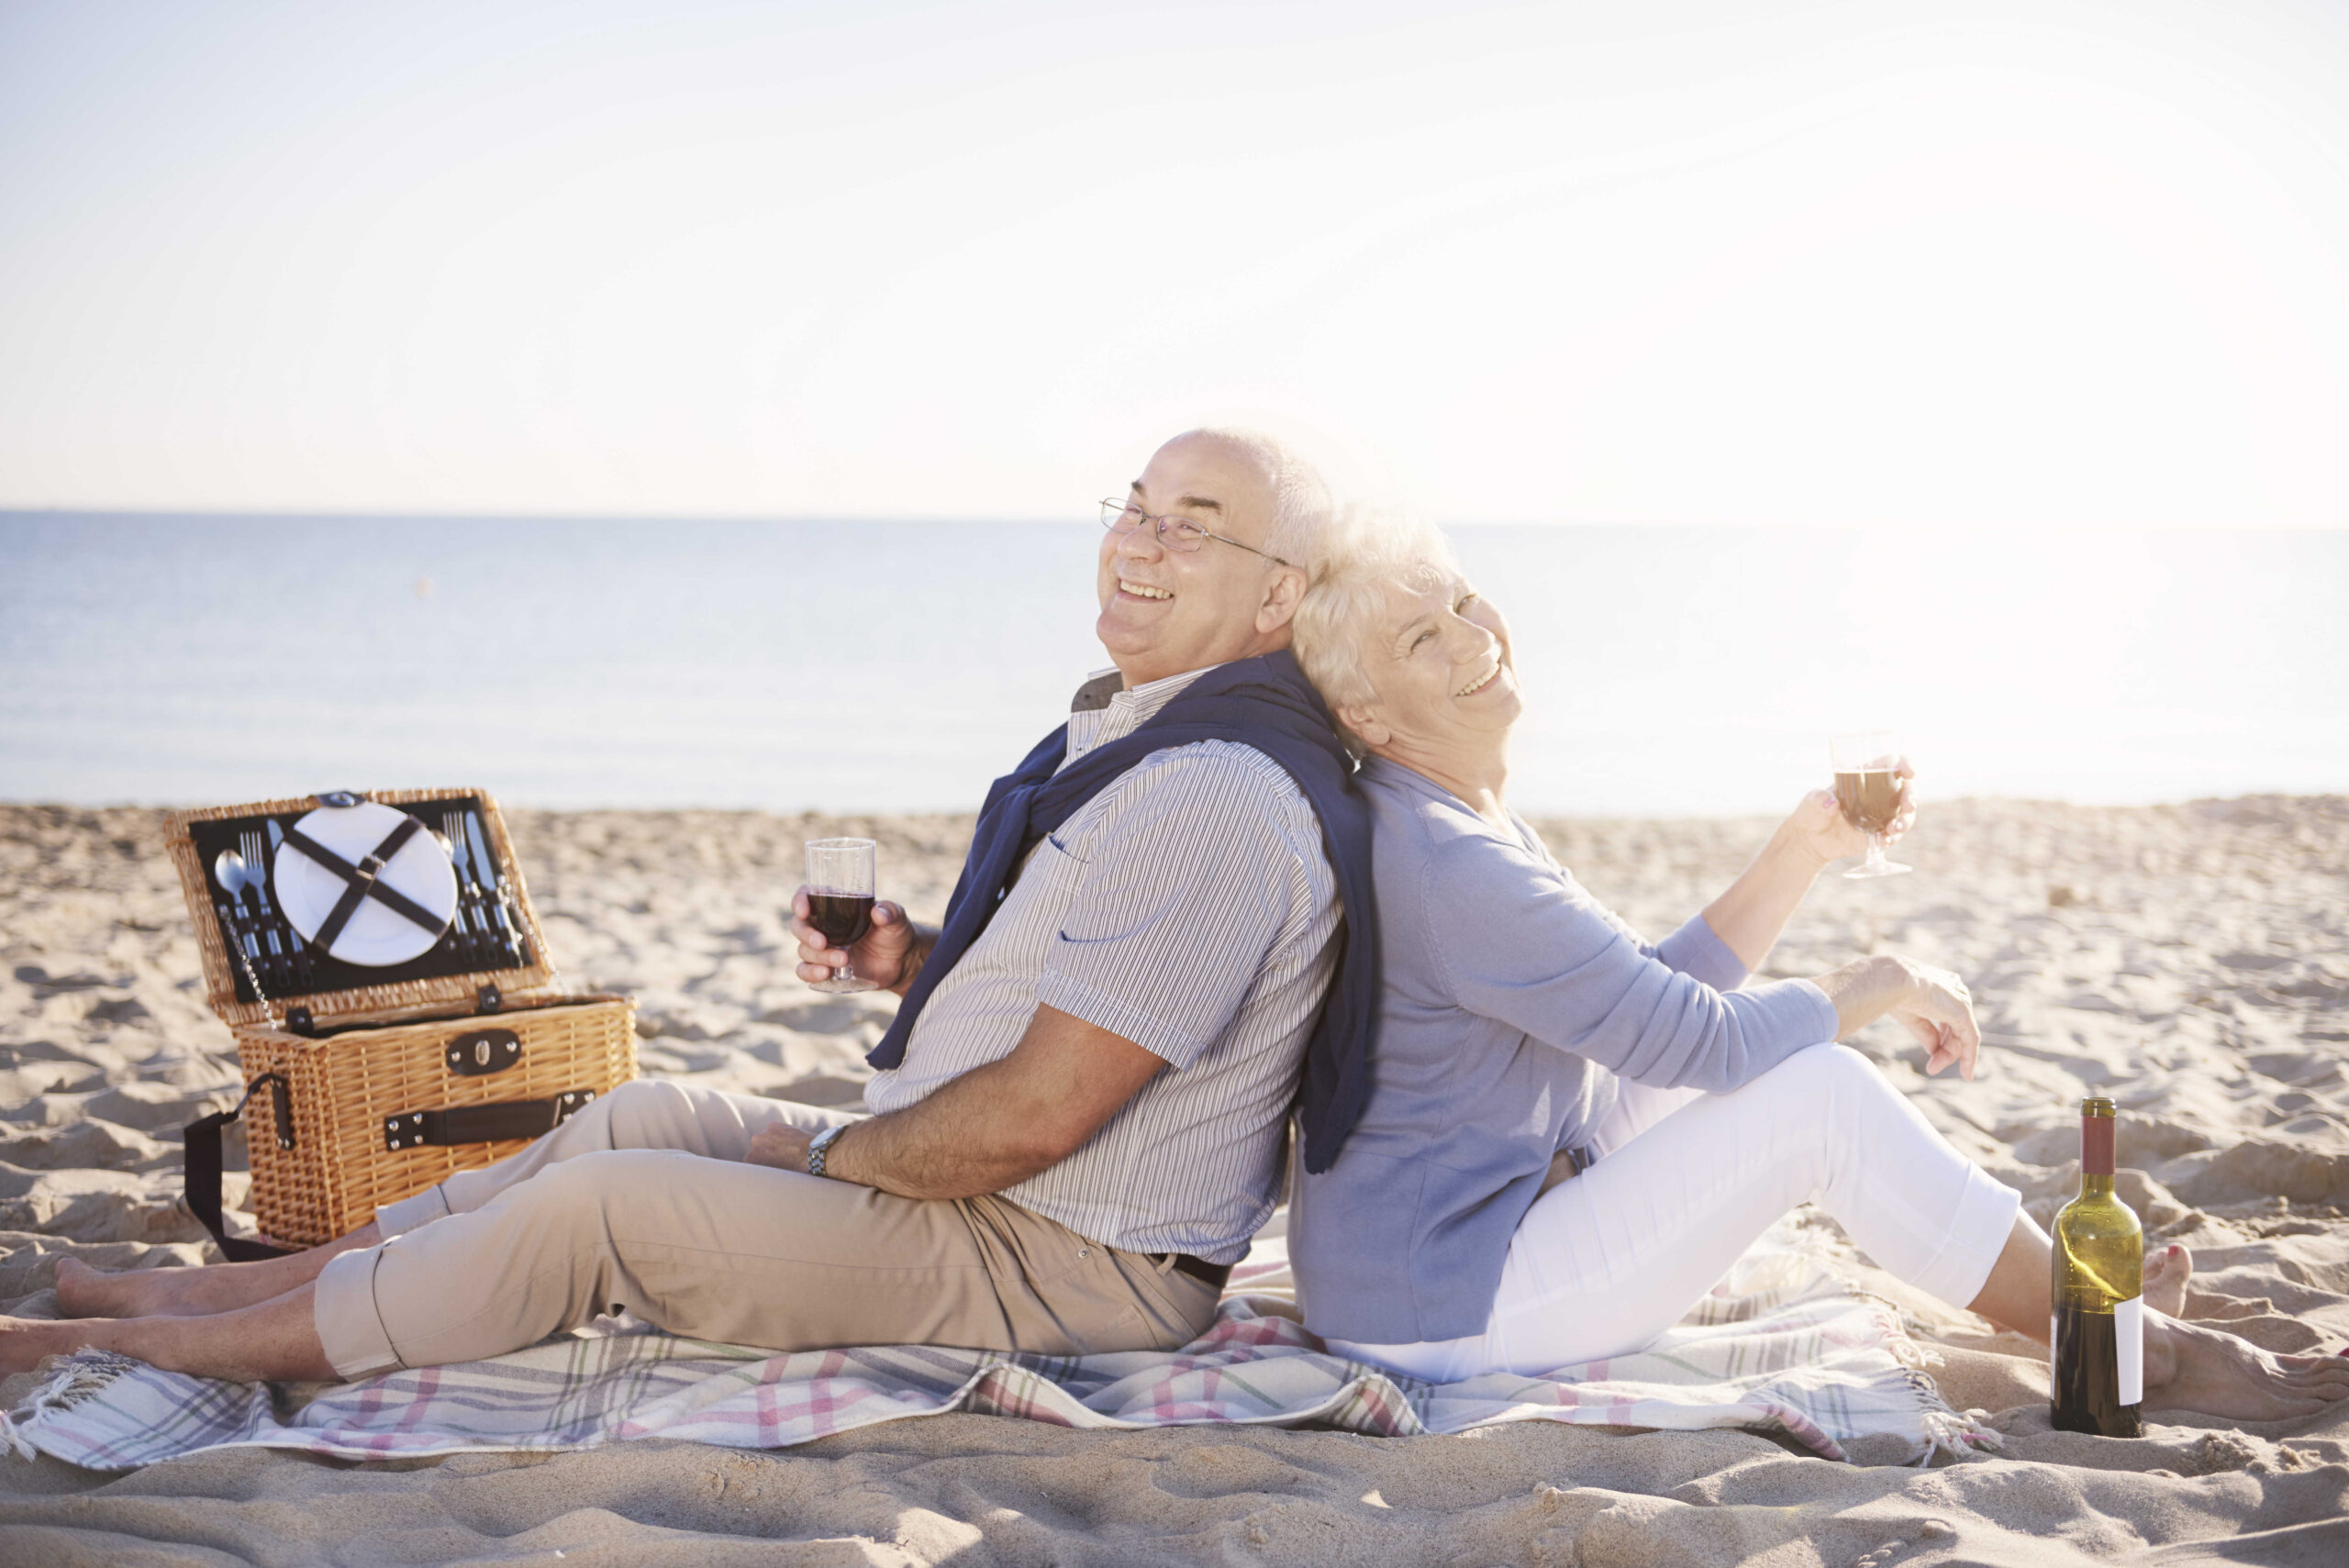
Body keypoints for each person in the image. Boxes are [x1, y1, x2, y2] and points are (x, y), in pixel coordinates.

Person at [7, 428, 1378, 1384]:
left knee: (600, 1209)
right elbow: (1093, 993)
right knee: (647, 1114)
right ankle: (234, 1286)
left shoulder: (1217, 790)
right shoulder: (1146, 735)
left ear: (1279, 596)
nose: (1138, 543)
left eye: (1192, 528)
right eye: (1135, 505)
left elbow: (1037, 1118)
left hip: (1067, 1260)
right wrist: (912, 961)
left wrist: (839, 1161)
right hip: (996, 1190)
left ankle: (160, 1345)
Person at [1280, 506, 2349, 1421]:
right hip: (1438, 1304)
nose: (1474, 636)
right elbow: (1704, 1042)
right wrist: (1878, 979)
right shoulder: (1451, 861)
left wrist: (1803, 848)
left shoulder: (1446, 810)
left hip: (1453, 1232)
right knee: (1819, 1095)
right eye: (1424, 635)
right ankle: (2128, 1348)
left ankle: (2090, 1317)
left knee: (1786, 1070)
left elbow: (1647, 998)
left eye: (1462, 599)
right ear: (1367, 712)